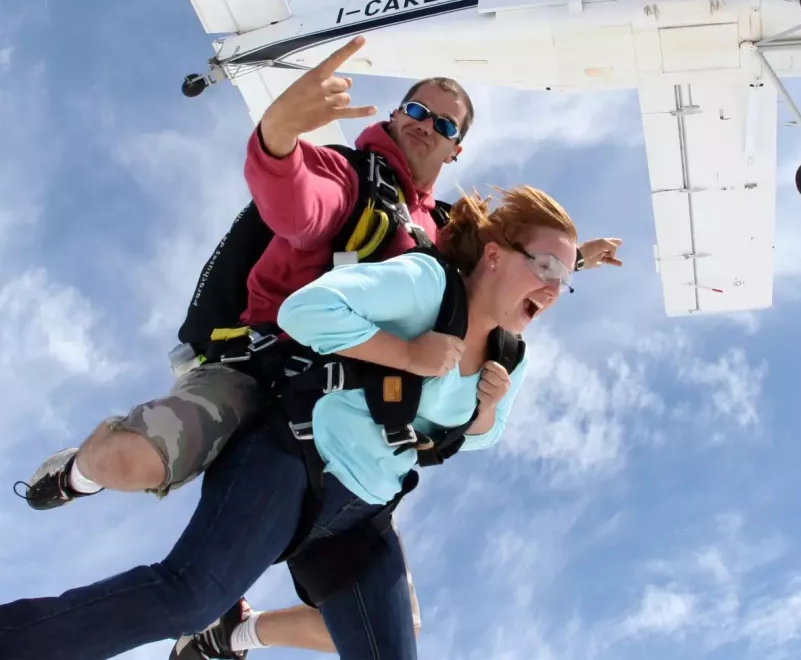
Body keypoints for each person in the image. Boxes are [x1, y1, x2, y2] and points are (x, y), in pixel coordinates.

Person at [14, 35, 624, 657]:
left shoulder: (444, 240)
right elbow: (301, 205)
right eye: (416, 111)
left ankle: (228, 636)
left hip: (356, 469)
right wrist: (277, 139)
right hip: (259, 366)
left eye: (443, 124)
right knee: (139, 483)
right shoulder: (354, 180)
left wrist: (569, 263)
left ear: (456, 147)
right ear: (393, 115)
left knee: (388, 631)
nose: (425, 127)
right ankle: (75, 474)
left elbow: (496, 271)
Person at [0, 182, 581, 660]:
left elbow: (482, 438)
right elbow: (305, 312)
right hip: (292, 459)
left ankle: (223, 641)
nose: (555, 287)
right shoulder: (427, 286)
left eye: (568, 278)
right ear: (496, 255)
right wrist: (408, 354)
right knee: (189, 597)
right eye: (548, 265)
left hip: (360, 519)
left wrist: (483, 411)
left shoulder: (511, 355)